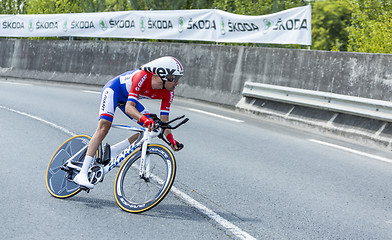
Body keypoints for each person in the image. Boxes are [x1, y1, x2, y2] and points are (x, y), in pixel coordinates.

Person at [73, 56, 184, 189]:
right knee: (104, 127)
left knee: (154, 128)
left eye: (178, 79)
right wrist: (144, 119)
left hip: (129, 99)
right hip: (114, 91)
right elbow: (129, 108)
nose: (177, 83)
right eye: (174, 79)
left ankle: (114, 150)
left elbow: (164, 121)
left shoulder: (169, 93)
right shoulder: (142, 76)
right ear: (160, 75)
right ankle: (82, 173)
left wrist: (171, 140)